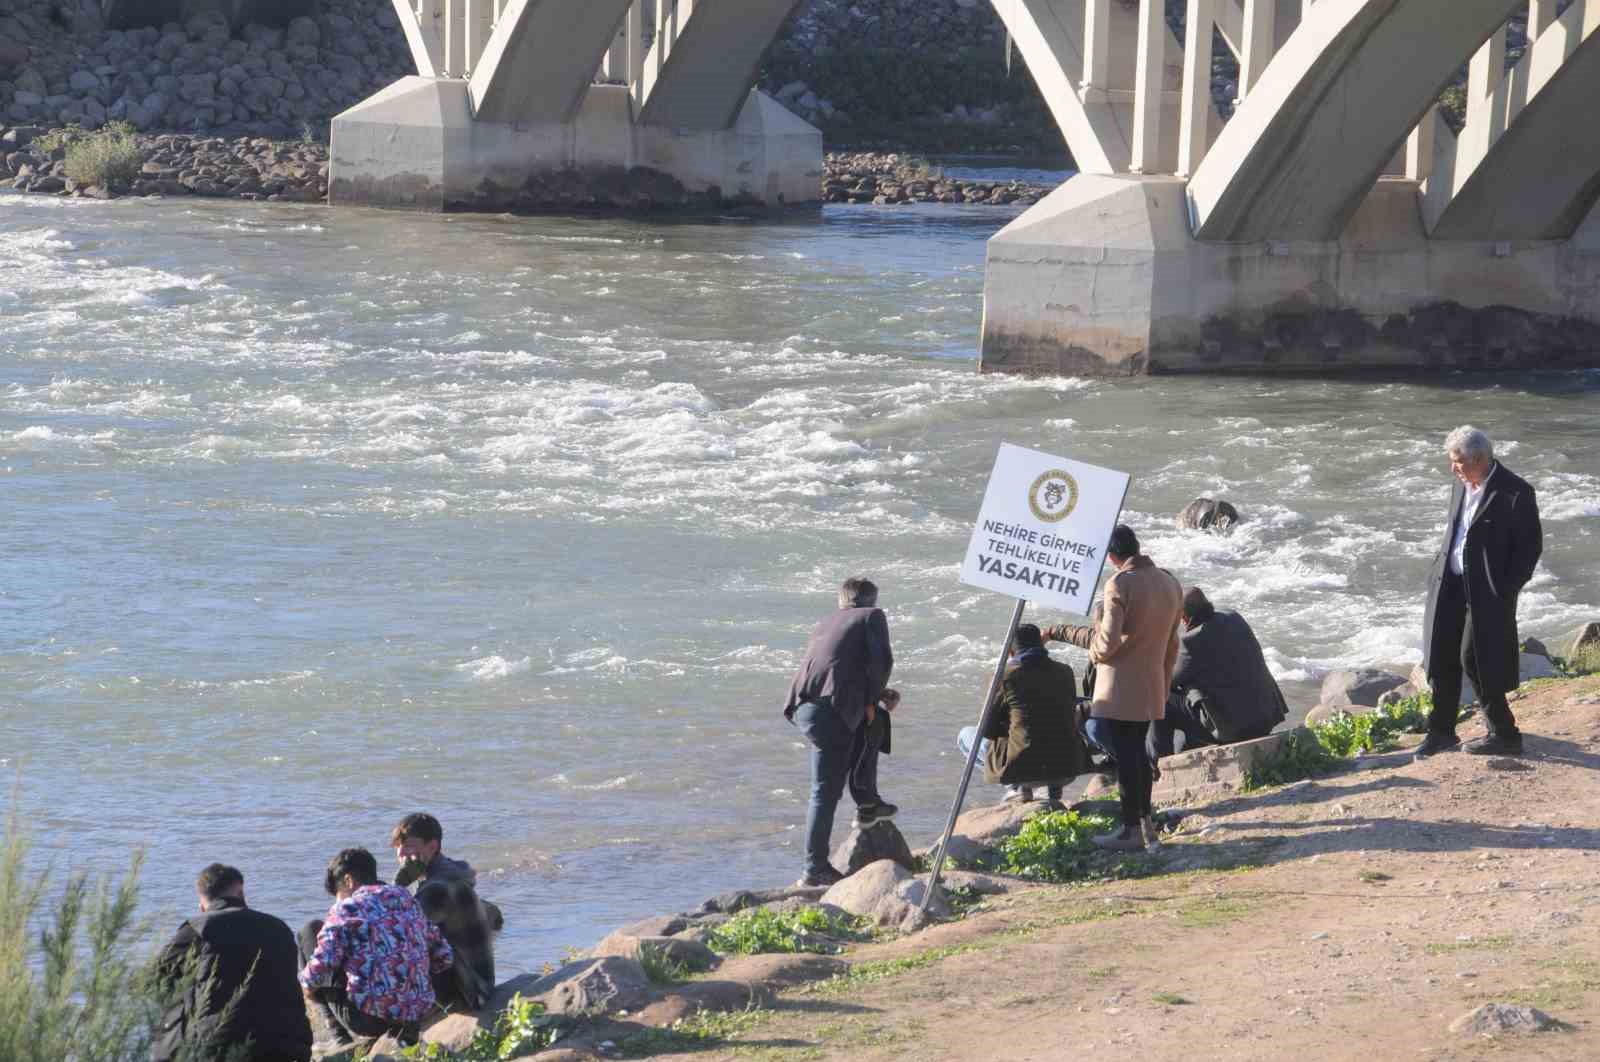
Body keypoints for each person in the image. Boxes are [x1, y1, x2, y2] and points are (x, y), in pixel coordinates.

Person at [1044, 524, 1183, 851]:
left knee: (1127, 758)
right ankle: (1147, 825)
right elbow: (1172, 643)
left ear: (1111, 556)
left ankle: (1130, 829)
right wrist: (1163, 678)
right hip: (1152, 681)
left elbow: (1106, 642)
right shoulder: (1169, 581)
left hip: (1120, 687)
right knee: (1139, 754)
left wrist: (1094, 652)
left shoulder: (1119, 584)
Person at [1418, 426, 1543, 758]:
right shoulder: (1459, 485)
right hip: (1449, 582)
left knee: (1474, 658)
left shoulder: (1516, 493)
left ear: (1479, 459)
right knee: (1442, 654)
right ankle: (1441, 731)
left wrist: (1506, 588)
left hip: (1488, 591)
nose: (1453, 468)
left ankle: (1504, 733)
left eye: (1458, 462)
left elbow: (1530, 550)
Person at [783, 575, 896, 888]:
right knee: (824, 791)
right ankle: (814, 868)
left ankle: (868, 803)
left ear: (841, 600)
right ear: (871, 600)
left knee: (872, 728)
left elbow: (840, 669)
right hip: (831, 712)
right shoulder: (872, 616)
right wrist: (872, 698)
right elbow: (881, 661)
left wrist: (877, 696)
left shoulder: (827, 621)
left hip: (806, 707)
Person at [153, 864, 313, 1062]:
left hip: (221, 1050)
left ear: (202, 904)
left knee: (174, 992)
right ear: (240, 892)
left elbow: (152, 980)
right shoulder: (279, 927)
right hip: (288, 1048)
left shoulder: (199, 927)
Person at [297, 848, 454, 1045]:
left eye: (338, 895)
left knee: (309, 932)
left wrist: (307, 988)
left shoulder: (346, 908)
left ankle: (338, 1035)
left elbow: (320, 969)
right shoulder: (405, 898)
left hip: (368, 1020)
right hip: (416, 1014)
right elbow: (445, 955)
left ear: (348, 881)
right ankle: (403, 1030)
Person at [956, 623, 1088, 803]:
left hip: (1024, 771)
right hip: (1068, 768)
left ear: (1010, 651)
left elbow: (987, 729)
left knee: (966, 736)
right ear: (1042, 645)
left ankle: (1017, 788)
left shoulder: (1005, 675)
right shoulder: (1065, 671)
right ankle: (1053, 792)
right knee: (1052, 724)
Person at [391, 813, 501, 1011]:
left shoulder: (437, 888)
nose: (400, 854)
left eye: (408, 846)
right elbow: (496, 917)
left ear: (432, 847)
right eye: (397, 847)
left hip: (468, 993)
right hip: (477, 983)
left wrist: (398, 885)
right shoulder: (450, 875)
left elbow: (396, 931)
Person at [1160, 588, 1288, 756]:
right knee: (1196, 686)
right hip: (1266, 719)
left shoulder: (1190, 641)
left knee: (1161, 699)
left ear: (1184, 618)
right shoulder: (1233, 617)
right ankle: (1186, 746)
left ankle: (1156, 765)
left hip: (1235, 730)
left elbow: (1167, 681)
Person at [846, 687, 902, 829]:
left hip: (849, 703)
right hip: (857, 705)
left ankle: (868, 804)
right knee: (865, 751)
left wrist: (881, 693)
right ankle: (868, 807)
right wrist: (869, 704)